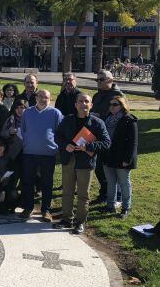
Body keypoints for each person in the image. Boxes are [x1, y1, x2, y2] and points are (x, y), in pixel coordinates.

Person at [54, 93, 110, 234]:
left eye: (86, 101)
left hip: (85, 162)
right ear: (75, 105)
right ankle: (67, 219)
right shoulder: (68, 120)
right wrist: (65, 145)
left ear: (91, 105)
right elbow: (57, 135)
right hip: (69, 160)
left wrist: (89, 147)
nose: (83, 104)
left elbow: (106, 143)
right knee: (67, 191)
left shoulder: (98, 123)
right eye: (80, 101)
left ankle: (80, 222)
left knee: (83, 194)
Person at [18, 90, 63, 221]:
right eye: (41, 96)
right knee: (28, 182)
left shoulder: (55, 113)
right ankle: (28, 208)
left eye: (47, 97)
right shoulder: (28, 112)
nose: (43, 99)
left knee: (46, 183)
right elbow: (23, 129)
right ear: (36, 98)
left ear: (50, 99)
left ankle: (46, 210)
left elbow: (59, 132)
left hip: (48, 154)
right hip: (29, 152)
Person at [91, 69, 124, 204]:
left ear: (111, 80)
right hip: (98, 136)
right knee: (99, 168)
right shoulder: (97, 95)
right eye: (97, 80)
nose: (98, 82)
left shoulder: (118, 95)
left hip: (112, 138)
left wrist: (100, 117)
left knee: (112, 170)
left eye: (101, 79)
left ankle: (116, 197)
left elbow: (121, 115)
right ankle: (104, 193)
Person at [102, 96, 137, 217]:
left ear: (122, 106)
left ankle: (126, 207)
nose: (111, 107)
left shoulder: (129, 120)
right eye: (110, 104)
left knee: (124, 183)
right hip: (108, 156)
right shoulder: (107, 118)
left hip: (122, 158)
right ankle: (110, 206)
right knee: (111, 182)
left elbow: (133, 142)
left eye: (115, 104)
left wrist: (127, 159)